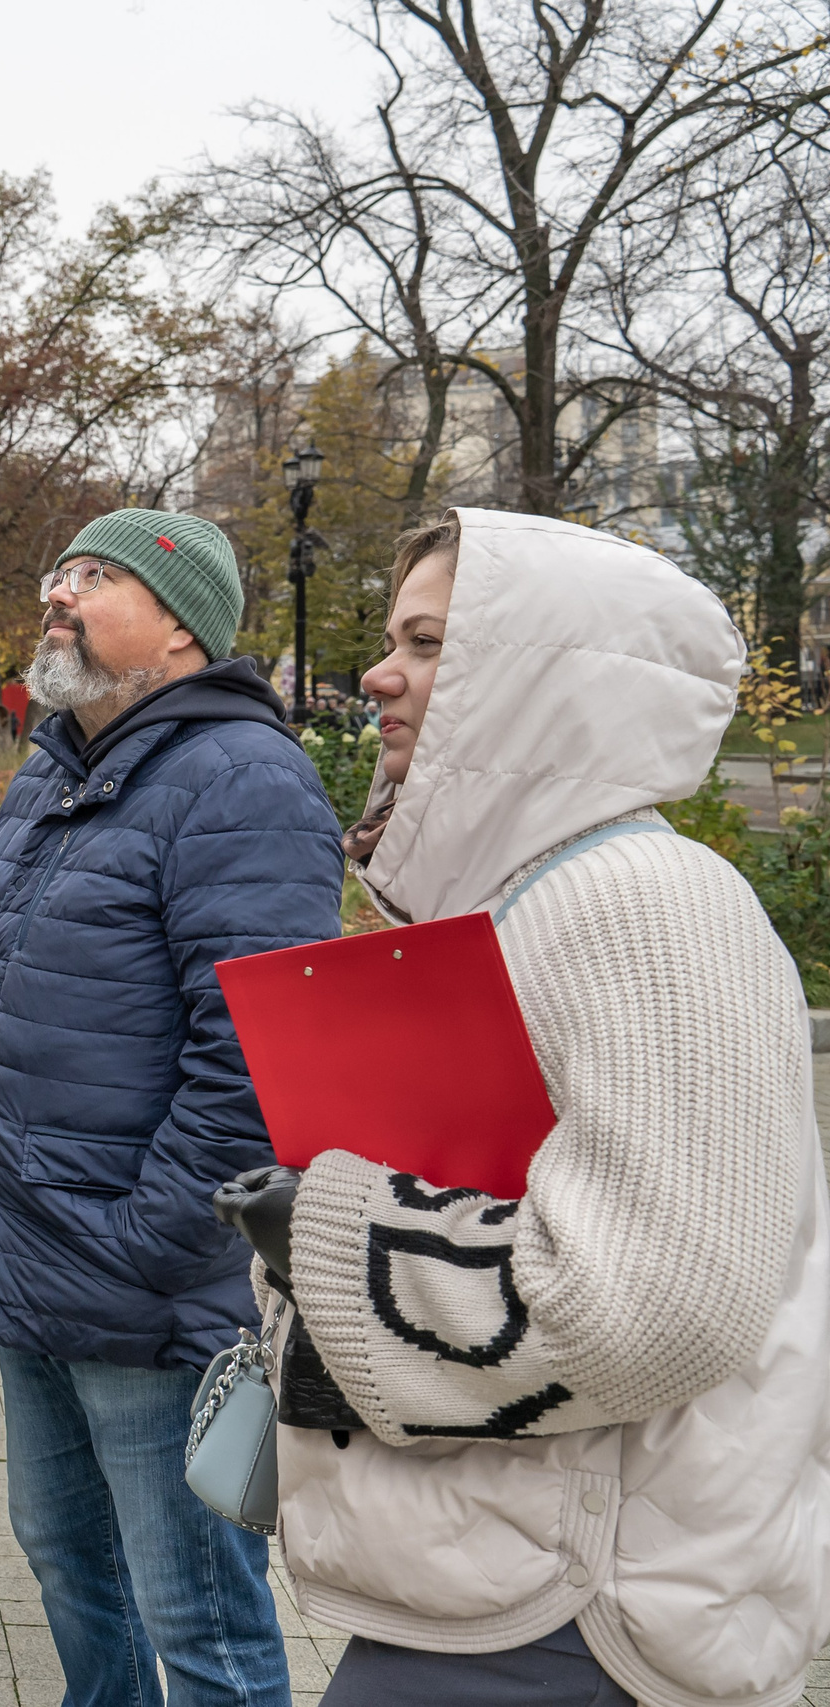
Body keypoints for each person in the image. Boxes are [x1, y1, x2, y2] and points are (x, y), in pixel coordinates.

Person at [214, 509, 830, 1705]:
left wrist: (332, 1228)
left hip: (582, 1609)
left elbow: (655, 1310)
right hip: (515, 1574)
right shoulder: (532, 899)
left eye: (429, 643)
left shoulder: (645, 902)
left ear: (541, 676)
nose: (379, 673)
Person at [0, 509, 344, 1707]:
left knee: (196, 1614)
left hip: (144, 1284)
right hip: (27, 1251)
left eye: (95, 579)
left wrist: (152, 1241)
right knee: (69, 1569)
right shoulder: (61, 766)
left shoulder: (242, 779)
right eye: (58, 572)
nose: (58, 594)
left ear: (179, 630)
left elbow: (257, 1055)